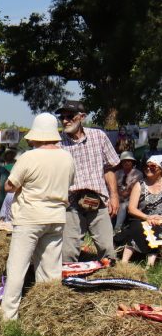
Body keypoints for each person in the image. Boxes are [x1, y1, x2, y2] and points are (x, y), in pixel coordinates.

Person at [0, 113, 75, 321]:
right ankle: (48, 315)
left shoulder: (28, 157)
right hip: (57, 217)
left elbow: (10, 186)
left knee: (17, 268)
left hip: (30, 217)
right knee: (50, 271)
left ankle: (8, 317)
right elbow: (70, 183)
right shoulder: (67, 157)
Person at [57, 100, 119, 263]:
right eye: (62, 117)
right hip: (71, 203)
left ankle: (110, 283)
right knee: (68, 252)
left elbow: (109, 168)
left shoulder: (98, 136)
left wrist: (114, 196)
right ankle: (68, 284)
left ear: (82, 117)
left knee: (107, 249)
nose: (65, 121)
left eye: (70, 116)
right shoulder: (57, 142)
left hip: (98, 201)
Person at [116, 155, 162, 267]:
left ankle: (150, 265)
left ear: (160, 169)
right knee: (137, 227)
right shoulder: (140, 184)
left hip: (160, 220)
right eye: (146, 166)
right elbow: (131, 208)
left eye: (153, 166)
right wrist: (147, 218)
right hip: (141, 218)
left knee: (157, 228)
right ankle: (124, 263)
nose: (148, 168)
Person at [115, 151, 145, 232]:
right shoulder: (118, 173)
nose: (126, 163)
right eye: (124, 161)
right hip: (118, 196)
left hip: (131, 199)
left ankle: (117, 228)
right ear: (121, 162)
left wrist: (122, 195)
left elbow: (131, 189)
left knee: (123, 206)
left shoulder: (138, 173)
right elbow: (114, 187)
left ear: (132, 162)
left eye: (129, 161)